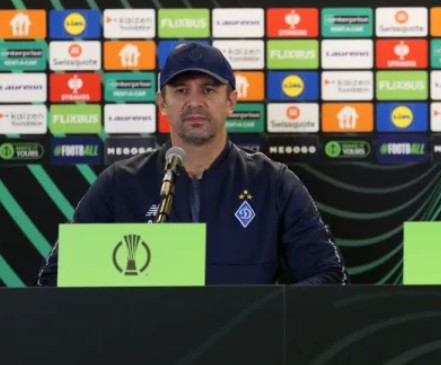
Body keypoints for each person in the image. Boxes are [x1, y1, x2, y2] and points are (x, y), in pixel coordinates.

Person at [37, 42, 348, 285]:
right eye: (181, 90)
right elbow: (56, 279)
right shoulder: (120, 183)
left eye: (208, 90)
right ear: (162, 102)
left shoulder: (273, 182)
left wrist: (262, 314)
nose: (195, 102)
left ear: (230, 101)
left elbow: (329, 275)